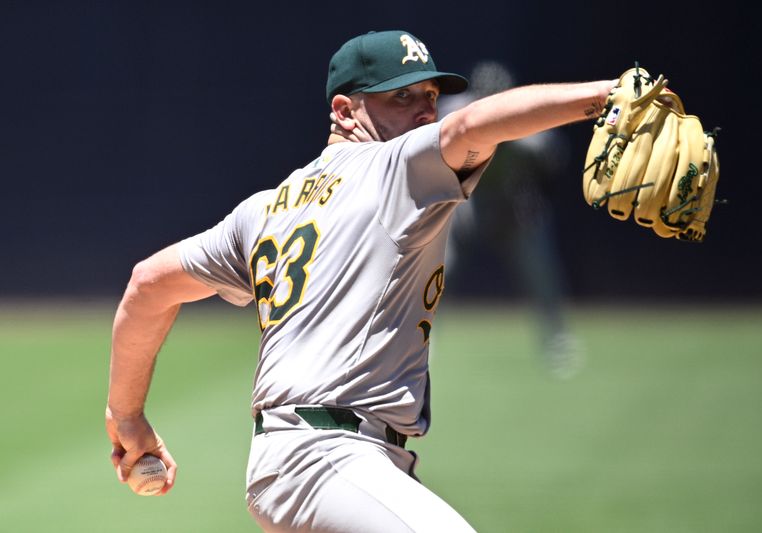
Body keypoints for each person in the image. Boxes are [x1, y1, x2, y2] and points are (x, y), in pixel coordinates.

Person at [105, 29, 614, 532]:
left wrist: (126, 416)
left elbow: (149, 283)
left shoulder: (263, 209)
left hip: (305, 464)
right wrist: (606, 97)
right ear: (346, 112)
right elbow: (473, 125)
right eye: (403, 96)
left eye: (431, 96)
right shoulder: (394, 168)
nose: (424, 111)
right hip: (327, 460)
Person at [439, 60, 584, 379]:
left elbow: (552, 169)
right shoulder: (454, 115)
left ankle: (557, 341)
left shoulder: (530, 133)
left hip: (513, 207)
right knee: (436, 267)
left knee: (541, 274)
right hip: (470, 204)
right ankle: (421, 339)